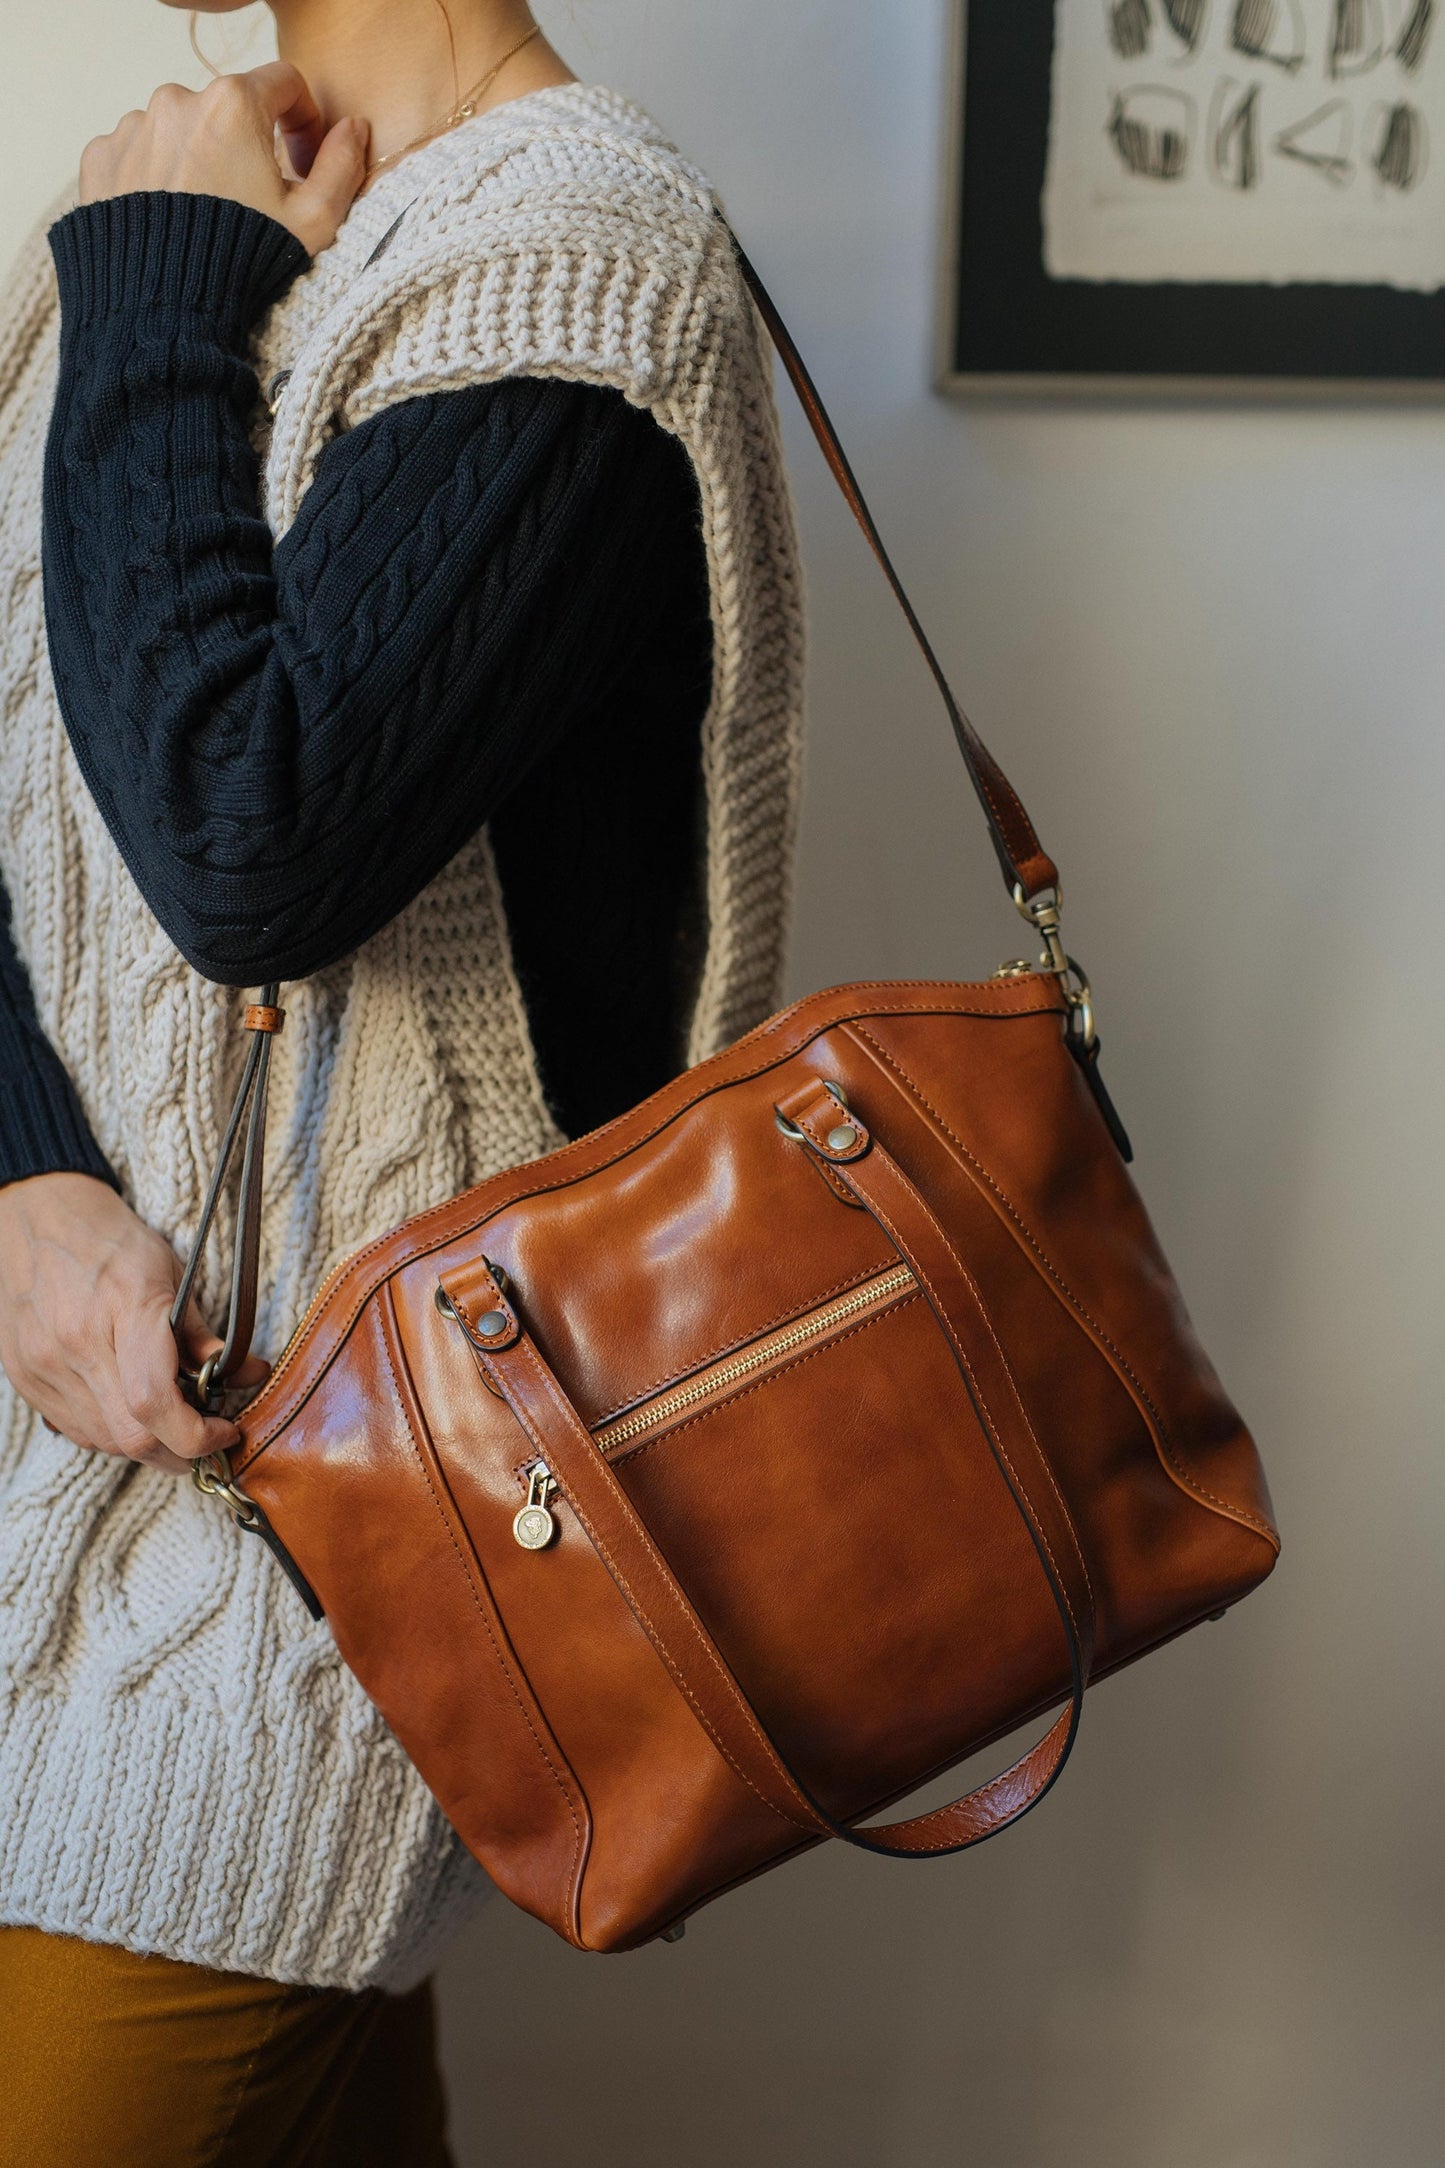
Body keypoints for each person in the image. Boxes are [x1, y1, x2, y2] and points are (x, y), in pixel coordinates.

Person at [0, 0, 804, 2157]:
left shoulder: (578, 260)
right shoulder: (185, 188)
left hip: (265, 1620)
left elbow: (245, 839)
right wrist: (14, 1175)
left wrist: (162, 286)